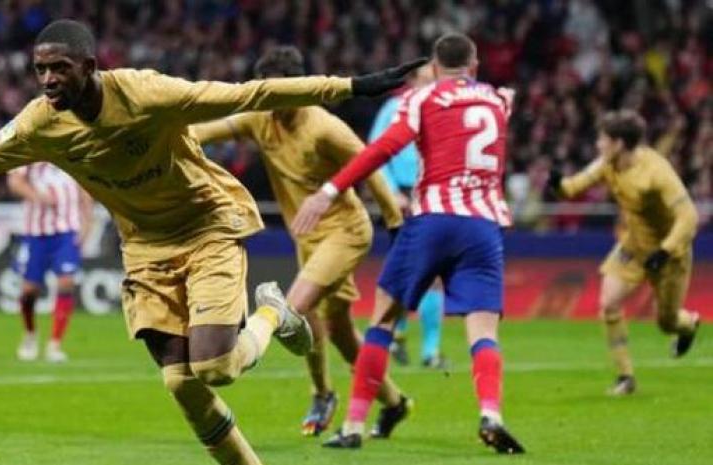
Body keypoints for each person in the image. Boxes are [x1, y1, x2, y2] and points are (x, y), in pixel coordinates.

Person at [0, 19, 426, 464]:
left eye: (59, 69)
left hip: (206, 226)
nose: (48, 80)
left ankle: (272, 312)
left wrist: (349, 86)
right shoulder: (41, 122)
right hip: (146, 247)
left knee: (218, 367)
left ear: (89, 66)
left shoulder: (146, 93)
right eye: (40, 70)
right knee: (181, 383)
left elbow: (246, 93)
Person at [293, 33, 524, 453]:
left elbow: (383, 149)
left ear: (434, 68)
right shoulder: (496, 101)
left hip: (433, 218)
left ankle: (353, 426)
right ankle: (491, 414)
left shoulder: (421, 99)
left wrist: (329, 191)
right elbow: (505, 99)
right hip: (484, 227)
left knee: (383, 320)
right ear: (473, 66)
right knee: (483, 331)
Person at [190, 46, 413, 438]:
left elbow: (371, 164)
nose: (274, 104)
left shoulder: (325, 128)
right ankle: (395, 403)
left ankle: (322, 392)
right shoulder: (261, 118)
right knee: (340, 331)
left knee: (291, 307)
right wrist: (162, 136)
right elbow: (209, 129)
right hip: (307, 236)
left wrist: (396, 225)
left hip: (345, 231)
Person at [546, 110, 701, 396]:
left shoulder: (656, 172)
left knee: (667, 323)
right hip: (633, 246)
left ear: (618, 143)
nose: (598, 144)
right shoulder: (607, 163)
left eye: (602, 139)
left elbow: (689, 216)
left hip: (669, 254)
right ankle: (625, 377)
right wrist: (558, 184)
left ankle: (688, 325)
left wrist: (666, 250)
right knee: (609, 304)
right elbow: (573, 187)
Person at [367, 65, 447, 369]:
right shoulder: (393, 109)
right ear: (412, 81)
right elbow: (376, 153)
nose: (431, 85)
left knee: (435, 274)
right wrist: (392, 194)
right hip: (401, 197)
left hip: (430, 194)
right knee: (404, 271)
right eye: (426, 79)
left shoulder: (442, 108)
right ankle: (397, 332)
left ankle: (430, 351)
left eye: (434, 80)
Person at [7, 162, 94, 362]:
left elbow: (84, 185)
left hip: (67, 231)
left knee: (66, 282)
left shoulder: (71, 152)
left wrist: (88, 221)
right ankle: (30, 334)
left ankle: (55, 344)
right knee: (29, 290)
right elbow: (14, 181)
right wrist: (38, 197)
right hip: (36, 233)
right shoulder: (30, 151)